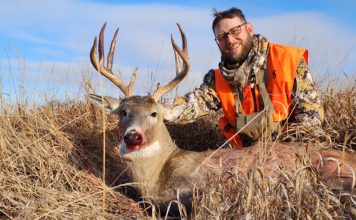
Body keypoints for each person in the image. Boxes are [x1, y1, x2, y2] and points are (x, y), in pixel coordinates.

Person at [172, 7, 324, 147]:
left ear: (249, 29)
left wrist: (280, 155)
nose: (230, 40)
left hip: (288, 151)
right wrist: (160, 110)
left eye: (235, 31)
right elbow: (194, 104)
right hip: (239, 156)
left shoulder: (287, 59)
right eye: (222, 37)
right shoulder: (217, 79)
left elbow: (310, 116)